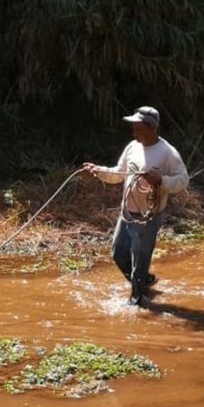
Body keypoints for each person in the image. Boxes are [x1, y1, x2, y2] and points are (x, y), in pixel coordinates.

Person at [82, 106, 189, 306]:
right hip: (127, 213)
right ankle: (144, 283)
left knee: (139, 258)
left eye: (138, 128)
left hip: (149, 217)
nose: (134, 132)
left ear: (151, 128)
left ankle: (137, 300)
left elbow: (183, 180)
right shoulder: (132, 146)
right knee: (117, 253)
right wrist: (98, 171)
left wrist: (161, 180)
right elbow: (118, 173)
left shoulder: (167, 152)